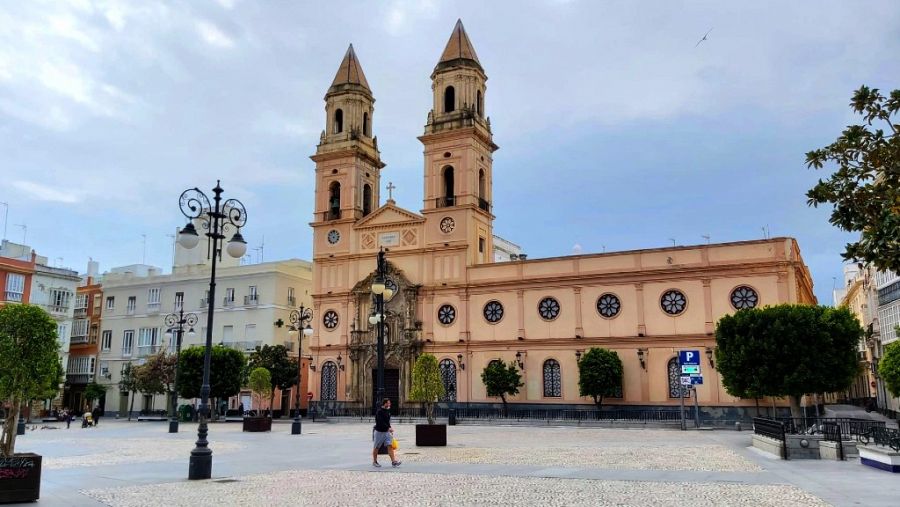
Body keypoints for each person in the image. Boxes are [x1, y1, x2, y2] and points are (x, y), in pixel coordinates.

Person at [372, 398, 401, 468]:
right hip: (379, 432)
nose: (389, 404)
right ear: (384, 404)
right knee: (376, 447)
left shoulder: (387, 411)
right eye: (388, 403)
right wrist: (388, 428)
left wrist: (390, 428)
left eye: (389, 403)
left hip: (386, 432)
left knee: (390, 446)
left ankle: (394, 462)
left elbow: (387, 422)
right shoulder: (379, 412)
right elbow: (380, 422)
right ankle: (375, 461)